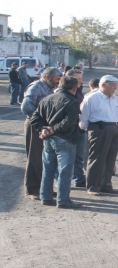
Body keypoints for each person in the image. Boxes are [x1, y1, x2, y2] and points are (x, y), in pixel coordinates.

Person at [30, 76, 82, 208]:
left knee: (48, 169)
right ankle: (63, 200)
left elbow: (34, 118)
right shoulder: (72, 101)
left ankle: (46, 197)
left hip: (48, 139)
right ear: (74, 87)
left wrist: (43, 128)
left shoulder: (46, 99)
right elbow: (69, 122)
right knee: (65, 171)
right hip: (65, 139)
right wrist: (53, 129)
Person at [21, 67, 63, 199]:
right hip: (36, 126)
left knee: (48, 158)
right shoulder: (36, 87)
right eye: (57, 79)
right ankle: (33, 189)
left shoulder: (50, 89)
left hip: (47, 126)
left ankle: (45, 188)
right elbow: (26, 106)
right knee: (35, 158)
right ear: (47, 78)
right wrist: (39, 124)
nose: (59, 82)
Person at [79, 75, 118, 195]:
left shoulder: (114, 98)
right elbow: (84, 116)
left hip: (115, 127)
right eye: (113, 85)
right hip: (99, 128)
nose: (115, 88)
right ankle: (93, 186)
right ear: (103, 85)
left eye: (115, 85)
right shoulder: (92, 98)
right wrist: (85, 129)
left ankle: (106, 185)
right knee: (97, 158)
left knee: (111, 158)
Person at [65, 69, 87, 188]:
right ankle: (72, 179)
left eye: (81, 79)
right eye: (78, 79)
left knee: (79, 156)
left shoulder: (79, 91)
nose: (81, 82)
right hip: (69, 130)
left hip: (79, 128)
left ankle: (79, 178)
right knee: (69, 157)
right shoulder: (66, 95)